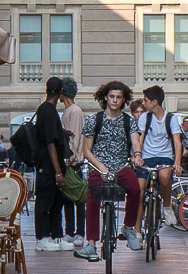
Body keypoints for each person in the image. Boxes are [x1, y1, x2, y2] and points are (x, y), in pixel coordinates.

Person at [77, 80, 143, 260]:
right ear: (105, 97)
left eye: (118, 97)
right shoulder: (94, 120)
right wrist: (101, 168)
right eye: (112, 96)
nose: (114, 100)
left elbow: (136, 141)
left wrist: (137, 154)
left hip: (121, 165)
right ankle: (91, 244)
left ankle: (128, 227)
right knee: (93, 199)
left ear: (123, 100)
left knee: (136, 189)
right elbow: (86, 151)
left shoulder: (129, 121)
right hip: (98, 166)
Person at [137, 86, 184, 227]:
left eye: (145, 101)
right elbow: (140, 139)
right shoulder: (144, 118)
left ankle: (167, 207)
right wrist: (137, 155)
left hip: (165, 156)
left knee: (164, 177)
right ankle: (137, 230)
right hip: (146, 157)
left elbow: (177, 143)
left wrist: (177, 163)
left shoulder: (171, 119)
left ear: (154, 102)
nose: (143, 104)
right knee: (139, 190)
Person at [32, 77, 70, 252]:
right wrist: (58, 172)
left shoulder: (46, 110)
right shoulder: (48, 111)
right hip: (48, 166)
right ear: (61, 92)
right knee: (45, 201)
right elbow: (50, 143)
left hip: (50, 165)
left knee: (56, 201)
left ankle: (56, 236)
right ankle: (42, 238)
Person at [59, 78, 87, 247]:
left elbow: (75, 138)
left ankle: (79, 232)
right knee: (68, 197)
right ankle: (70, 231)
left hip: (73, 163)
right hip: (69, 161)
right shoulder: (70, 111)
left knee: (77, 197)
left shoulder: (74, 111)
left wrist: (69, 160)